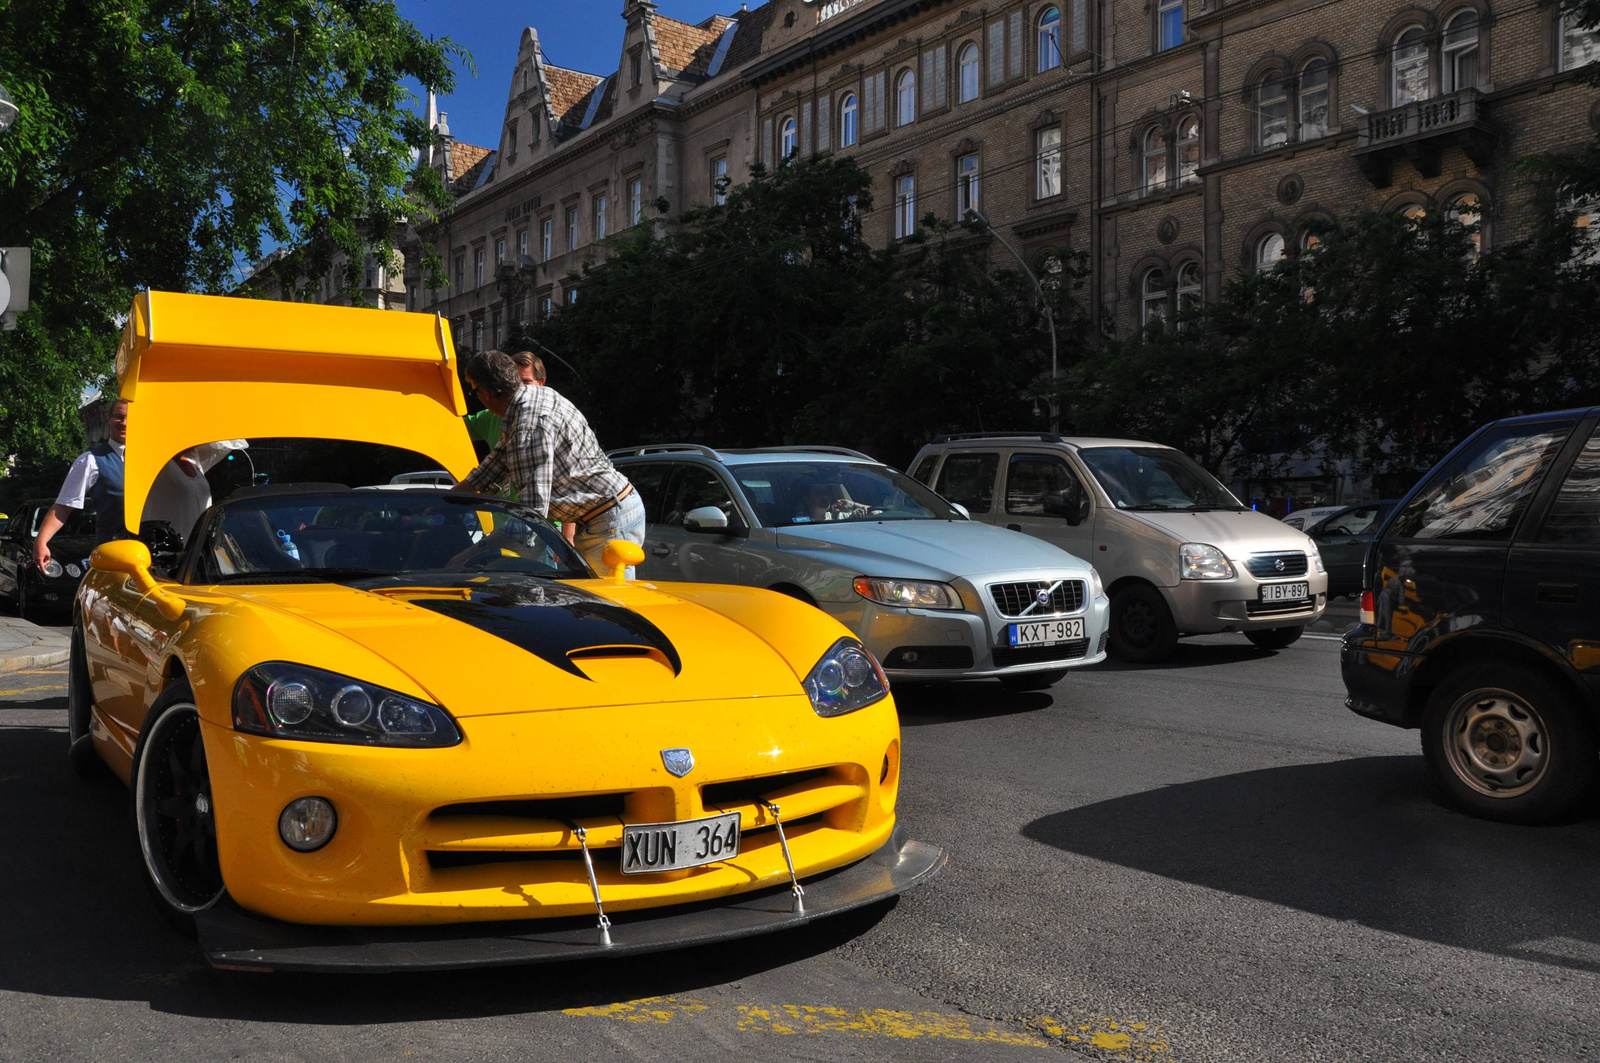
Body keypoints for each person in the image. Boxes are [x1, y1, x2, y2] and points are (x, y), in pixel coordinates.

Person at [457, 350, 644, 575]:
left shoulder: (530, 423)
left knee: (607, 602)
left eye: (474, 390)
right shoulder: (527, 403)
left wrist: (472, 553)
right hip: (602, 514)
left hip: (609, 518)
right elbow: (495, 464)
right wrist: (449, 498)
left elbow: (532, 514)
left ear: (485, 393)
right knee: (591, 599)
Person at [463, 350, 546, 450]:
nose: (518, 388)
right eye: (514, 381)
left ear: (541, 383)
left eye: (525, 382)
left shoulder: (542, 418)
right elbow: (451, 429)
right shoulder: (492, 416)